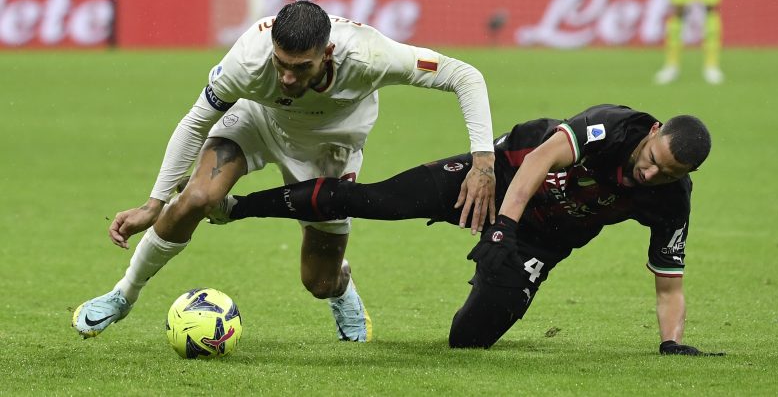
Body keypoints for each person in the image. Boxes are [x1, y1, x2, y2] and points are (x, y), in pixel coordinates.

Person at [72, 0, 497, 343]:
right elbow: (195, 121)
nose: (288, 78)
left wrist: (482, 162)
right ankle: (123, 294)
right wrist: (153, 203)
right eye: (281, 64)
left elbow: (465, 75)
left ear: (327, 53)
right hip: (256, 123)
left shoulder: (371, 55)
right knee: (198, 198)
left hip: (330, 150)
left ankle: (342, 286)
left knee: (318, 281)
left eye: (301, 67)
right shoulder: (249, 59)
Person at [205, 104, 721, 355]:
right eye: (654, 161)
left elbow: (669, 281)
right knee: (378, 200)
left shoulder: (670, 198)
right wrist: (500, 229)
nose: (652, 175)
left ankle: (498, 277)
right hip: (495, 177)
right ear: (653, 134)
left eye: (669, 173)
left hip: (542, 239)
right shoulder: (614, 127)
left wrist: (671, 344)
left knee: (469, 341)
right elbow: (539, 162)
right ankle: (237, 206)